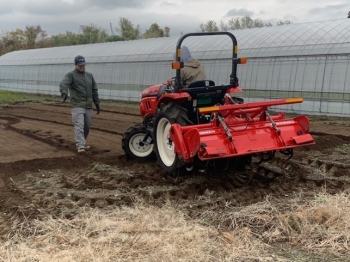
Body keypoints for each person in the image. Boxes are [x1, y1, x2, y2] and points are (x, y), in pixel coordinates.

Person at [59, 55, 100, 153]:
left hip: (88, 105)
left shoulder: (89, 76)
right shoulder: (71, 75)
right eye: (80, 65)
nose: (82, 67)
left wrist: (97, 103)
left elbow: (94, 90)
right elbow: (63, 83)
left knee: (87, 126)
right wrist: (64, 92)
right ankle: (80, 146)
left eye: (83, 65)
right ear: (75, 65)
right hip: (77, 105)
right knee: (79, 125)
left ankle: (82, 143)